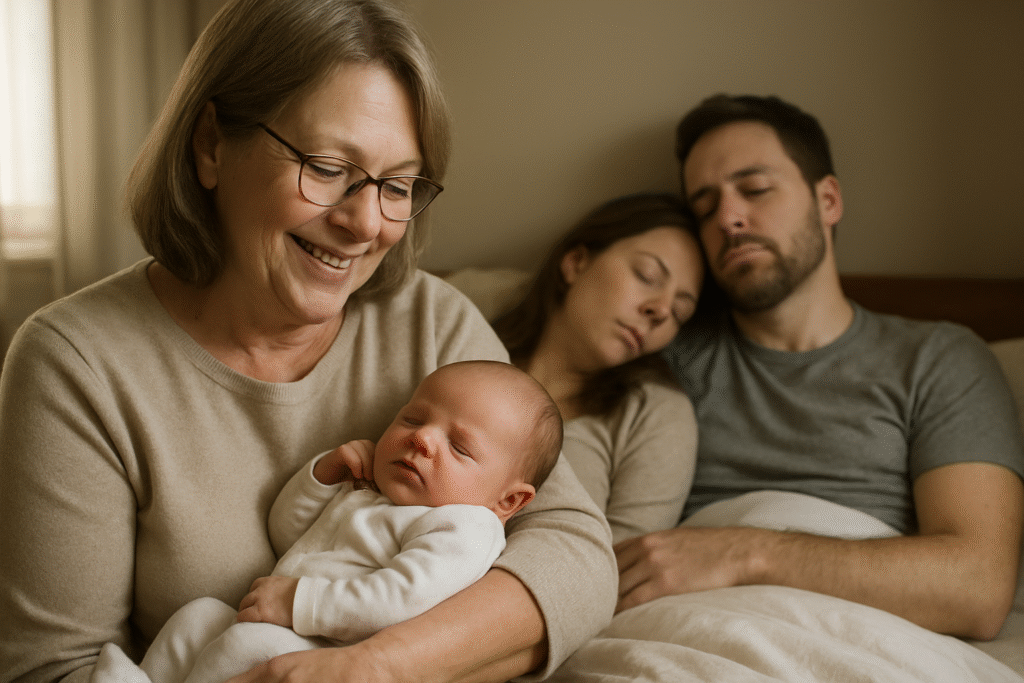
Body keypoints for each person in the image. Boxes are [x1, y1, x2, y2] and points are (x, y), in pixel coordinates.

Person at [0, 1, 617, 681]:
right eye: (326, 167)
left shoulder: (431, 321)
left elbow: (577, 556)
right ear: (211, 145)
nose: (365, 223)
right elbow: (54, 669)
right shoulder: (76, 362)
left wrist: (374, 666)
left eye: (397, 185)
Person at [615, 93, 1024, 641]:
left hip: (853, 639)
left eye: (755, 189)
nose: (729, 218)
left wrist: (745, 552)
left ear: (828, 200)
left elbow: (977, 588)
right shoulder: (663, 357)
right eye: (704, 207)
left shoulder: (940, 359)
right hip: (692, 634)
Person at [92, 360, 563, 683]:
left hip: (328, 653)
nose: (421, 439)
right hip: (284, 621)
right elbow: (288, 535)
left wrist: (302, 601)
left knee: (241, 647)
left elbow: (402, 598)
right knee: (198, 617)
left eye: (459, 447)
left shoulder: (465, 527)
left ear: (508, 500)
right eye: (412, 418)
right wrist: (322, 477)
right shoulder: (369, 495)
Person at [493, 193, 706, 543]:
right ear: (576, 262)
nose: (661, 310)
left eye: (680, 312)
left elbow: (620, 569)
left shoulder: (656, 412)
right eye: (647, 275)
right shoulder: (466, 341)